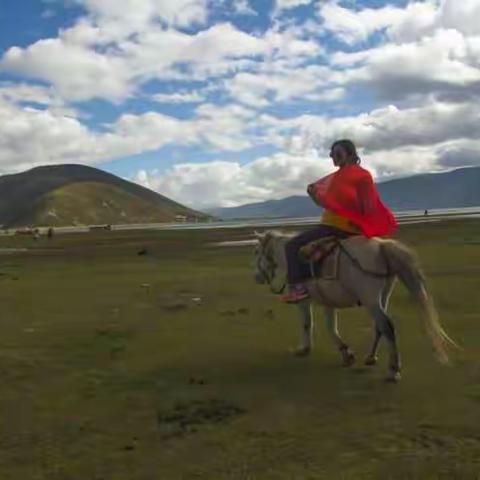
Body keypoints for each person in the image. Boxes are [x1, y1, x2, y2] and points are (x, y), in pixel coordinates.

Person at [281, 139, 398, 303]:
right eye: (331, 155)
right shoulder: (337, 177)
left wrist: (357, 221)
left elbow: (368, 206)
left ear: (350, 155)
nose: (333, 158)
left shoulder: (361, 176)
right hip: (332, 225)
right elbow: (327, 203)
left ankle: (298, 288)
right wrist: (314, 195)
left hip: (336, 227)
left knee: (291, 245)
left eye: (338, 154)